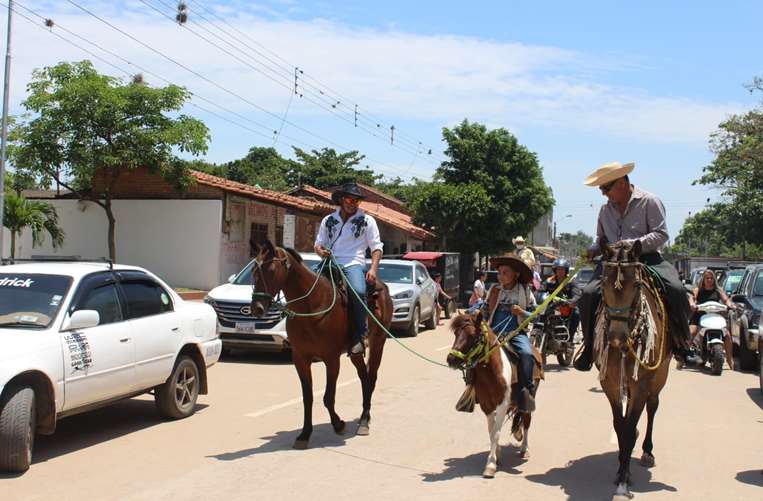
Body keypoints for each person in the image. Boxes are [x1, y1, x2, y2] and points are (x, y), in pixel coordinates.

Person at [574, 161, 702, 371]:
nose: (604, 194)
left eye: (607, 188)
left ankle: (683, 344)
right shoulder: (605, 210)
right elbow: (601, 239)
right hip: (613, 263)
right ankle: (589, 348)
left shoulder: (649, 201)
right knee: (587, 295)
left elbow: (661, 234)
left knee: (676, 289)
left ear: (622, 182)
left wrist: (635, 245)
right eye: (601, 189)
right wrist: (593, 249)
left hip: (645, 258)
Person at [314, 182, 383, 356]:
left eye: (356, 201)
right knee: (306, 286)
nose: (353, 203)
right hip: (329, 262)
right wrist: (321, 251)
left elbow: (376, 247)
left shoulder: (367, 221)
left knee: (359, 291)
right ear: (341, 199)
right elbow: (318, 244)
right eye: (350, 199)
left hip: (353, 263)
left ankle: (360, 335)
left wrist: (373, 269)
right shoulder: (328, 220)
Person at [484, 255, 537, 412]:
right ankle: (471, 390)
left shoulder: (525, 291)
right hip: (494, 332)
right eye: (499, 272)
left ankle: (526, 391)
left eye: (505, 272)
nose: (500, 276)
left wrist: (522, 312)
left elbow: (536, 314)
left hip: (516, 333)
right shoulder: (494, 289)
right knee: (473, 352)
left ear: (516, 274)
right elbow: (485, 310)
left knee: (527, 354)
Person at [689, 269, 737, 369]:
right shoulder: (698, 289)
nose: (709, 280)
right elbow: (692, 298)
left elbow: (726, 299)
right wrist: (692, 304)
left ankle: (729, 359)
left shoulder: (718, 290)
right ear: (703, 279)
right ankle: (683, 356)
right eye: (707, 278)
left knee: (727, 335)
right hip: (699, 315)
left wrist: (730, 305)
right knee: (692, 332)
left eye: (711, 278)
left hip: (714, 315)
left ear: (714, 279)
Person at [542, 258, 581, 342]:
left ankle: (570, 339)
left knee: (576, 314)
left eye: (562, 269)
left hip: (567, 307)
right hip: (552, 306)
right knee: (541, 315)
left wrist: (572, 301)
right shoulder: (549, 281)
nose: (560, 271)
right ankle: (541, 332)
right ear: (555, 270)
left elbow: (577, 293)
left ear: (566, 270)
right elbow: (540, 291)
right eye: (558, 269)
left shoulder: (571, 281)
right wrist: (539, 296)